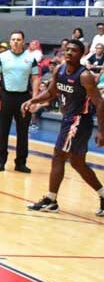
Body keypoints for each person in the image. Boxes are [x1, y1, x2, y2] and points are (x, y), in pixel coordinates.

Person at [22, 40, 104, 217]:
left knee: (58, 156)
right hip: (68, 119)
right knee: (77, 163)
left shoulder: (84, 76)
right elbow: (51, 93)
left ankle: (51, 200)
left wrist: (102, 131)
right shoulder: (59, 70)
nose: (69, 53)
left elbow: (99, 102)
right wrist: (33, 100)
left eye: (74, 51)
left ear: (81, 54)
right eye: (67, 50)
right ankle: (103, 195)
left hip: (79, 121)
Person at [0, 31, 39, 173]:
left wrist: (34, 100)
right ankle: (1, 161)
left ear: (23, 41)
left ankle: (21, 163)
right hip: (5, 97)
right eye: (13, 39)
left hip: (24, 98)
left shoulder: (31, 58)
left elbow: (36, 78)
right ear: (10, 41)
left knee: (23, 133)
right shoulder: (2, 57)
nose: (16, 42)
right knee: (2, 131)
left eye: (18, 39)